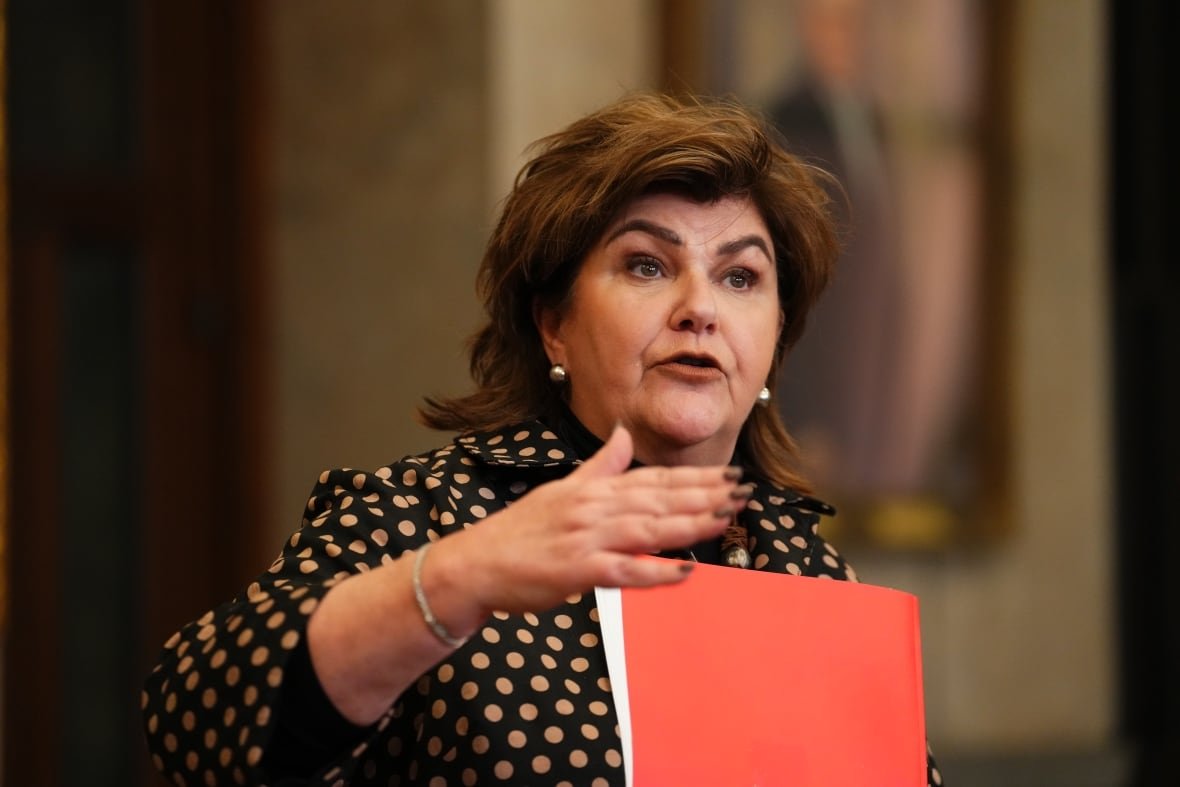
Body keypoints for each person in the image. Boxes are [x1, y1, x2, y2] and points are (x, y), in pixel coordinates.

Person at [141, 93, 943, 786]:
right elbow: (198, 725)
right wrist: (461, 576)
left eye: (740, 276)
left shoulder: (809, 572)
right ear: (554, 325)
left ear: (775, 339)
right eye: (646, 265)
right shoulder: (422, 517)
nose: (701, 307)